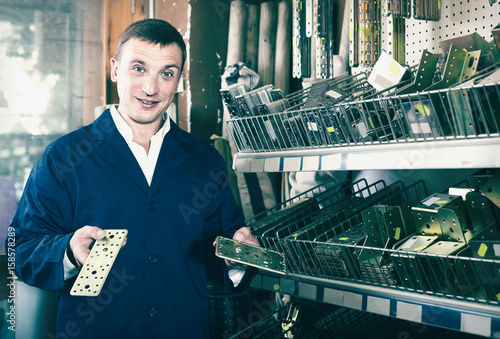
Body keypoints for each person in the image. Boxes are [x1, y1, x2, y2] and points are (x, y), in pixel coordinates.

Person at [9, 18, 259, 338]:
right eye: (138, 68)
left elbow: (221, 251)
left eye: (166, 73)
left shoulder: (205, 162)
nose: (151, 88)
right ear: (115, 69)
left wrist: (239, 256)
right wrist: (68, 251)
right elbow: (20, 247)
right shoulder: (63, 158)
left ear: (179, 80)